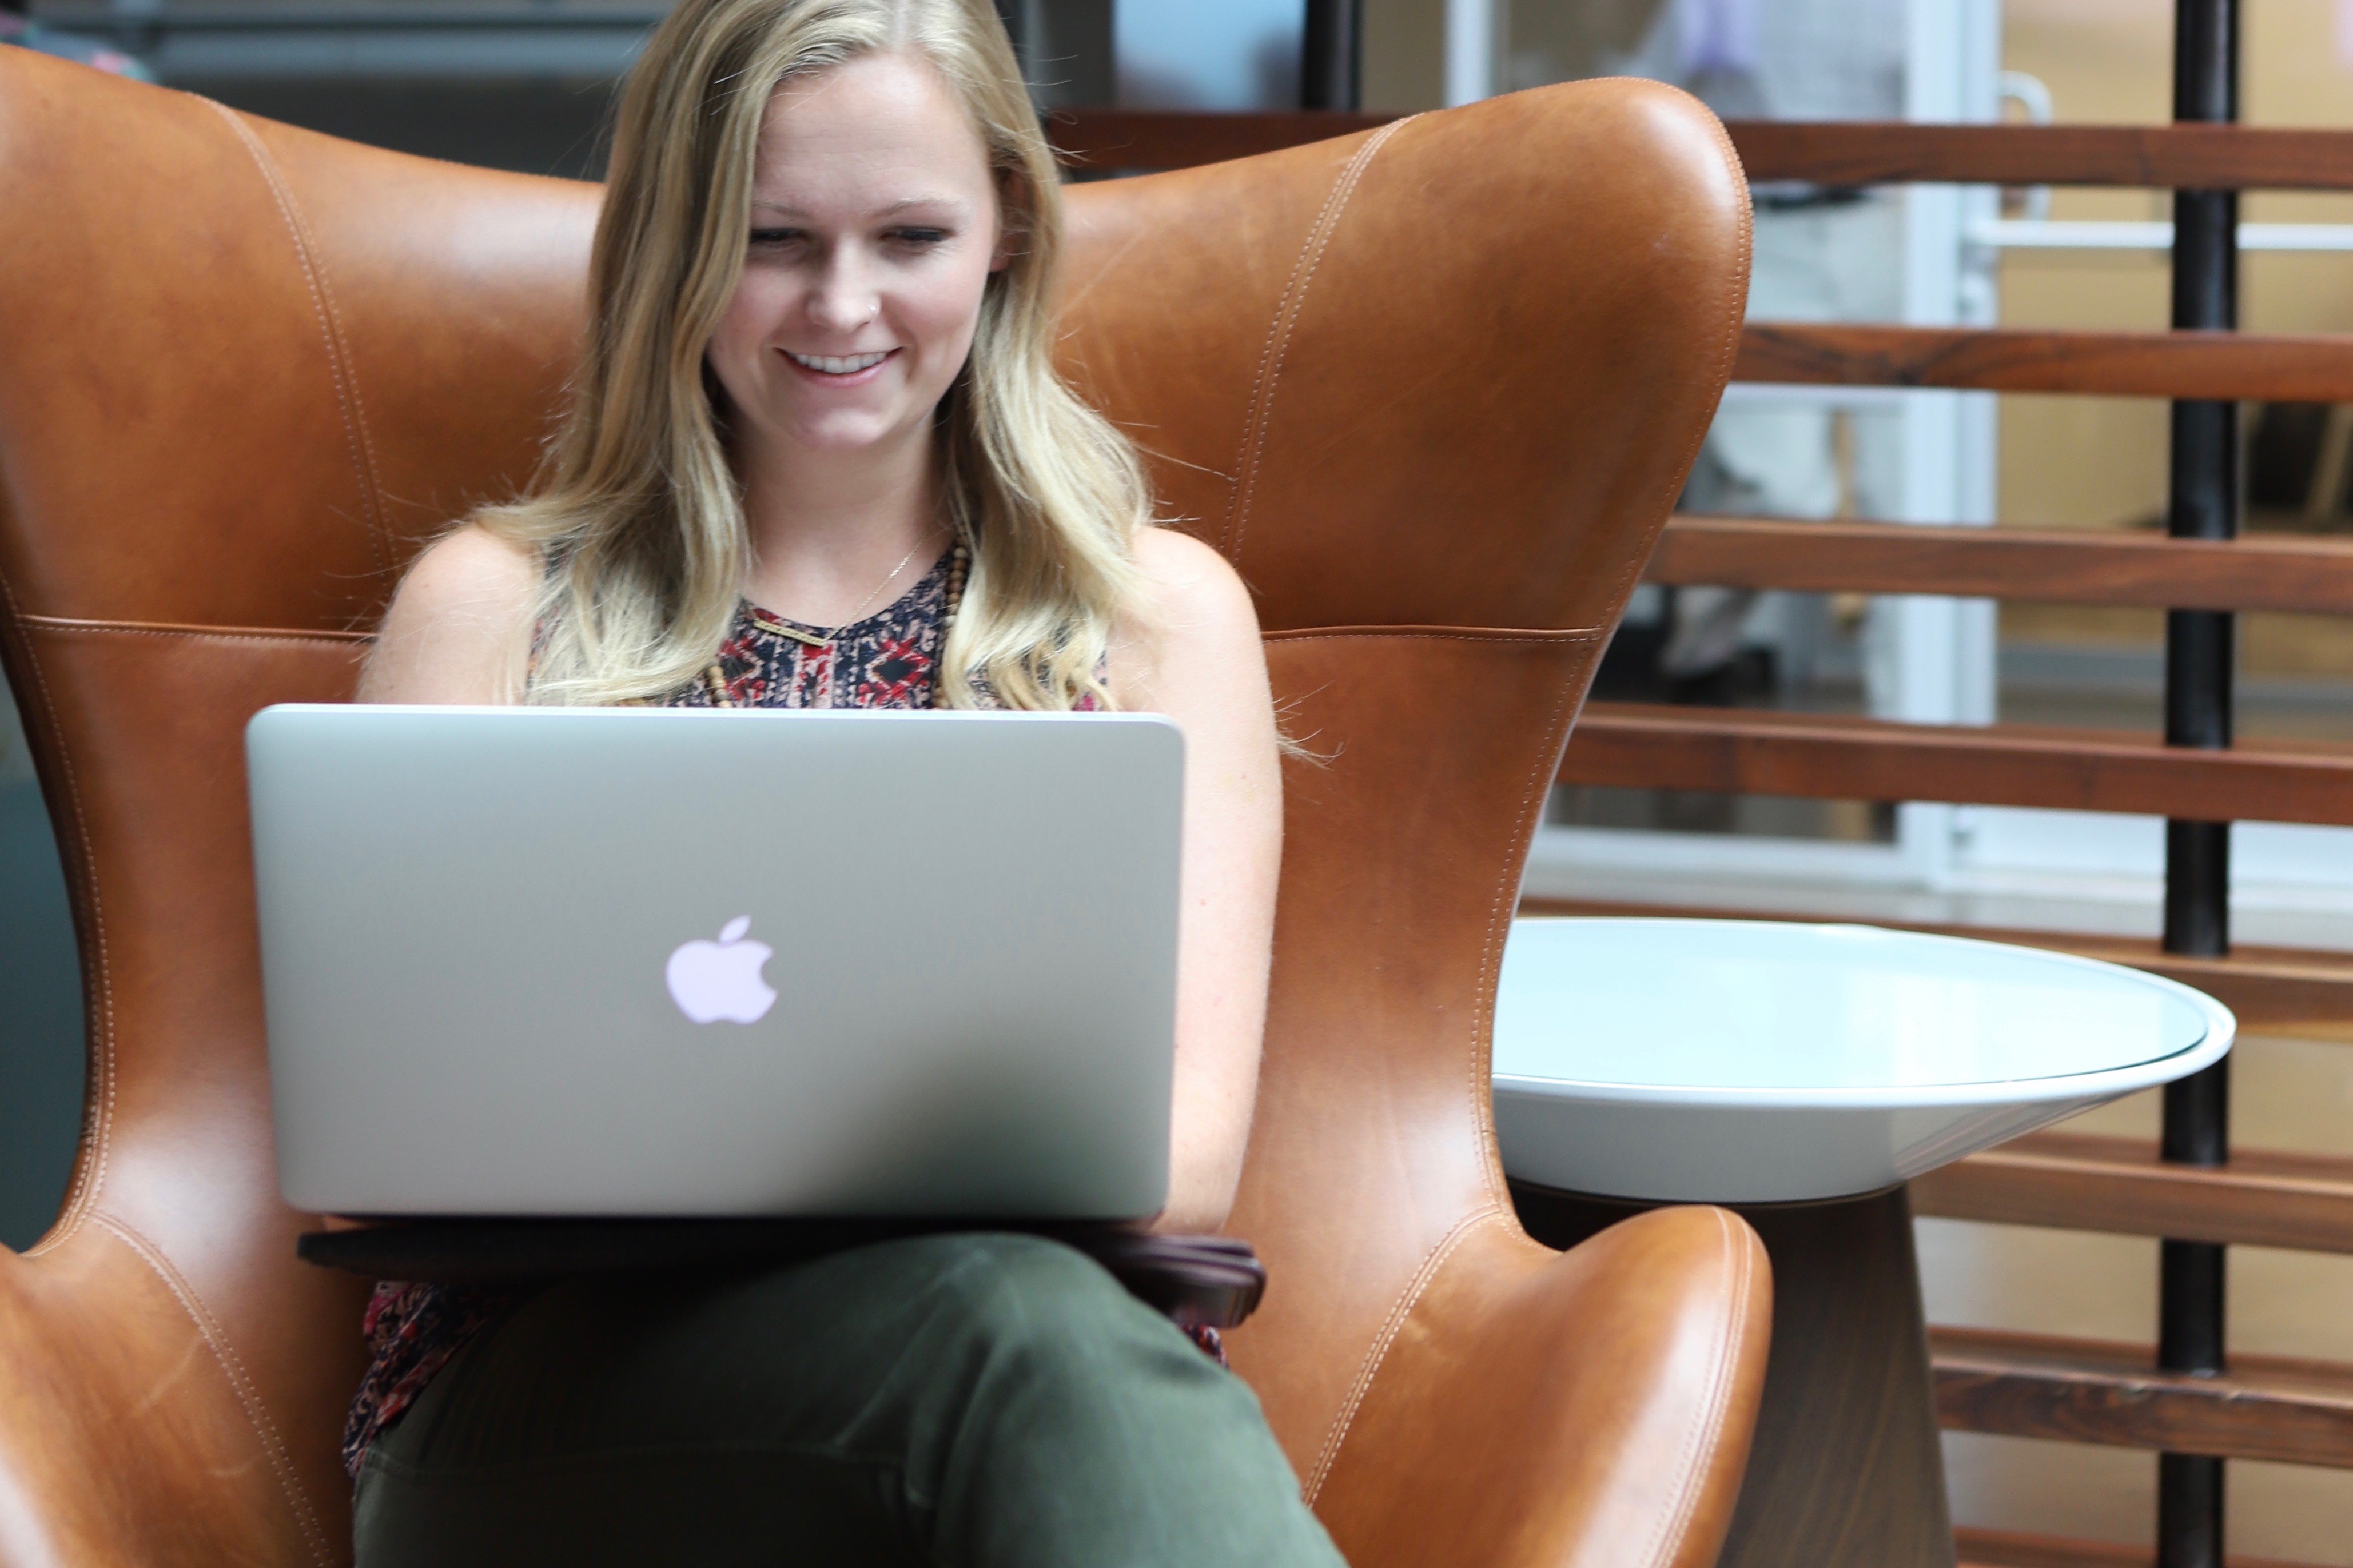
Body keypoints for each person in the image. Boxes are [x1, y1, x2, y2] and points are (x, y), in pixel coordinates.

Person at [348, 1, 1332, 1562]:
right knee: (1016, 1324)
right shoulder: (490, 609)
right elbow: (379, 1146)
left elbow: (1178, 1157)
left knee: (1019, 1333)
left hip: (1035, 1403)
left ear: (1009, 227)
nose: (845, 304)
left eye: (912, 235)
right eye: (774, 238)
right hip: (549, 1419)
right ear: (674, 243)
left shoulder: (1154, 623)